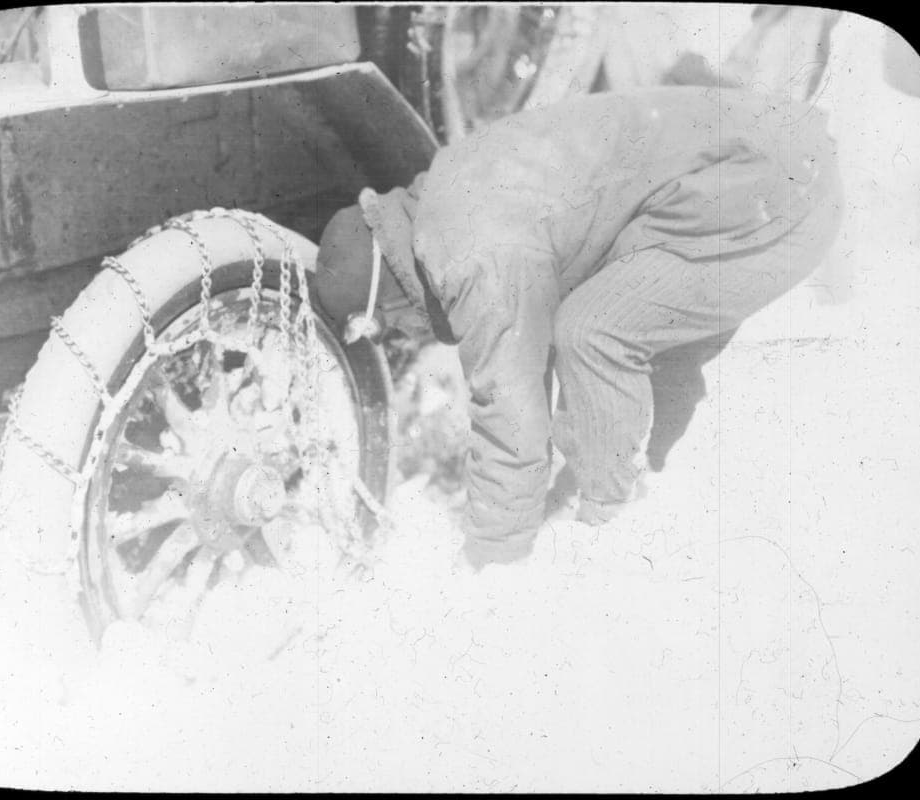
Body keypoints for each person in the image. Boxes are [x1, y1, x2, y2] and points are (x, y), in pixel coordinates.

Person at [315, 86, 843, 571]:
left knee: (593, 333)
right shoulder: (446, 193)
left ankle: (616, 542)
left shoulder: (473, 255)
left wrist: (492, 559)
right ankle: (651, 473)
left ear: (388, 294)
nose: (407, 336)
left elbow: (510, 414)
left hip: (780, 196)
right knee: (614, 315)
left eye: (391, 327)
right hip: (763, 165)